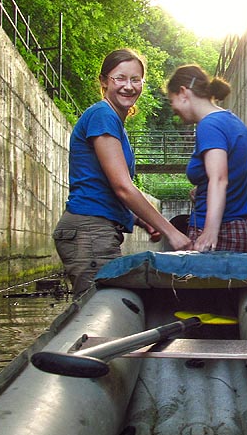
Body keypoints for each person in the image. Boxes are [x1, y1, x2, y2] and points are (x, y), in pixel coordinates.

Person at [54, 49, 192, 296]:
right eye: (120, 78)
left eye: (135, 79)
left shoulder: (114, 121)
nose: (129, 87)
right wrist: (172, 232)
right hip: (90, 231)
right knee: (96, 316)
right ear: (104, 81)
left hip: (95, 230)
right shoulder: (102, 115)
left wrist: (142, 220)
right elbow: (122, 187)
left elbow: (104, 186)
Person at [167, 64, 247, 253]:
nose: (173, 108)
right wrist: (201, 188)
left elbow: (219, 178)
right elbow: (232, 174)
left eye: (172, 100)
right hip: (241, 227)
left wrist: (210, 231)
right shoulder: (231, 121)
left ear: (184, 92)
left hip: (222, 233)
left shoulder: (209, 125)